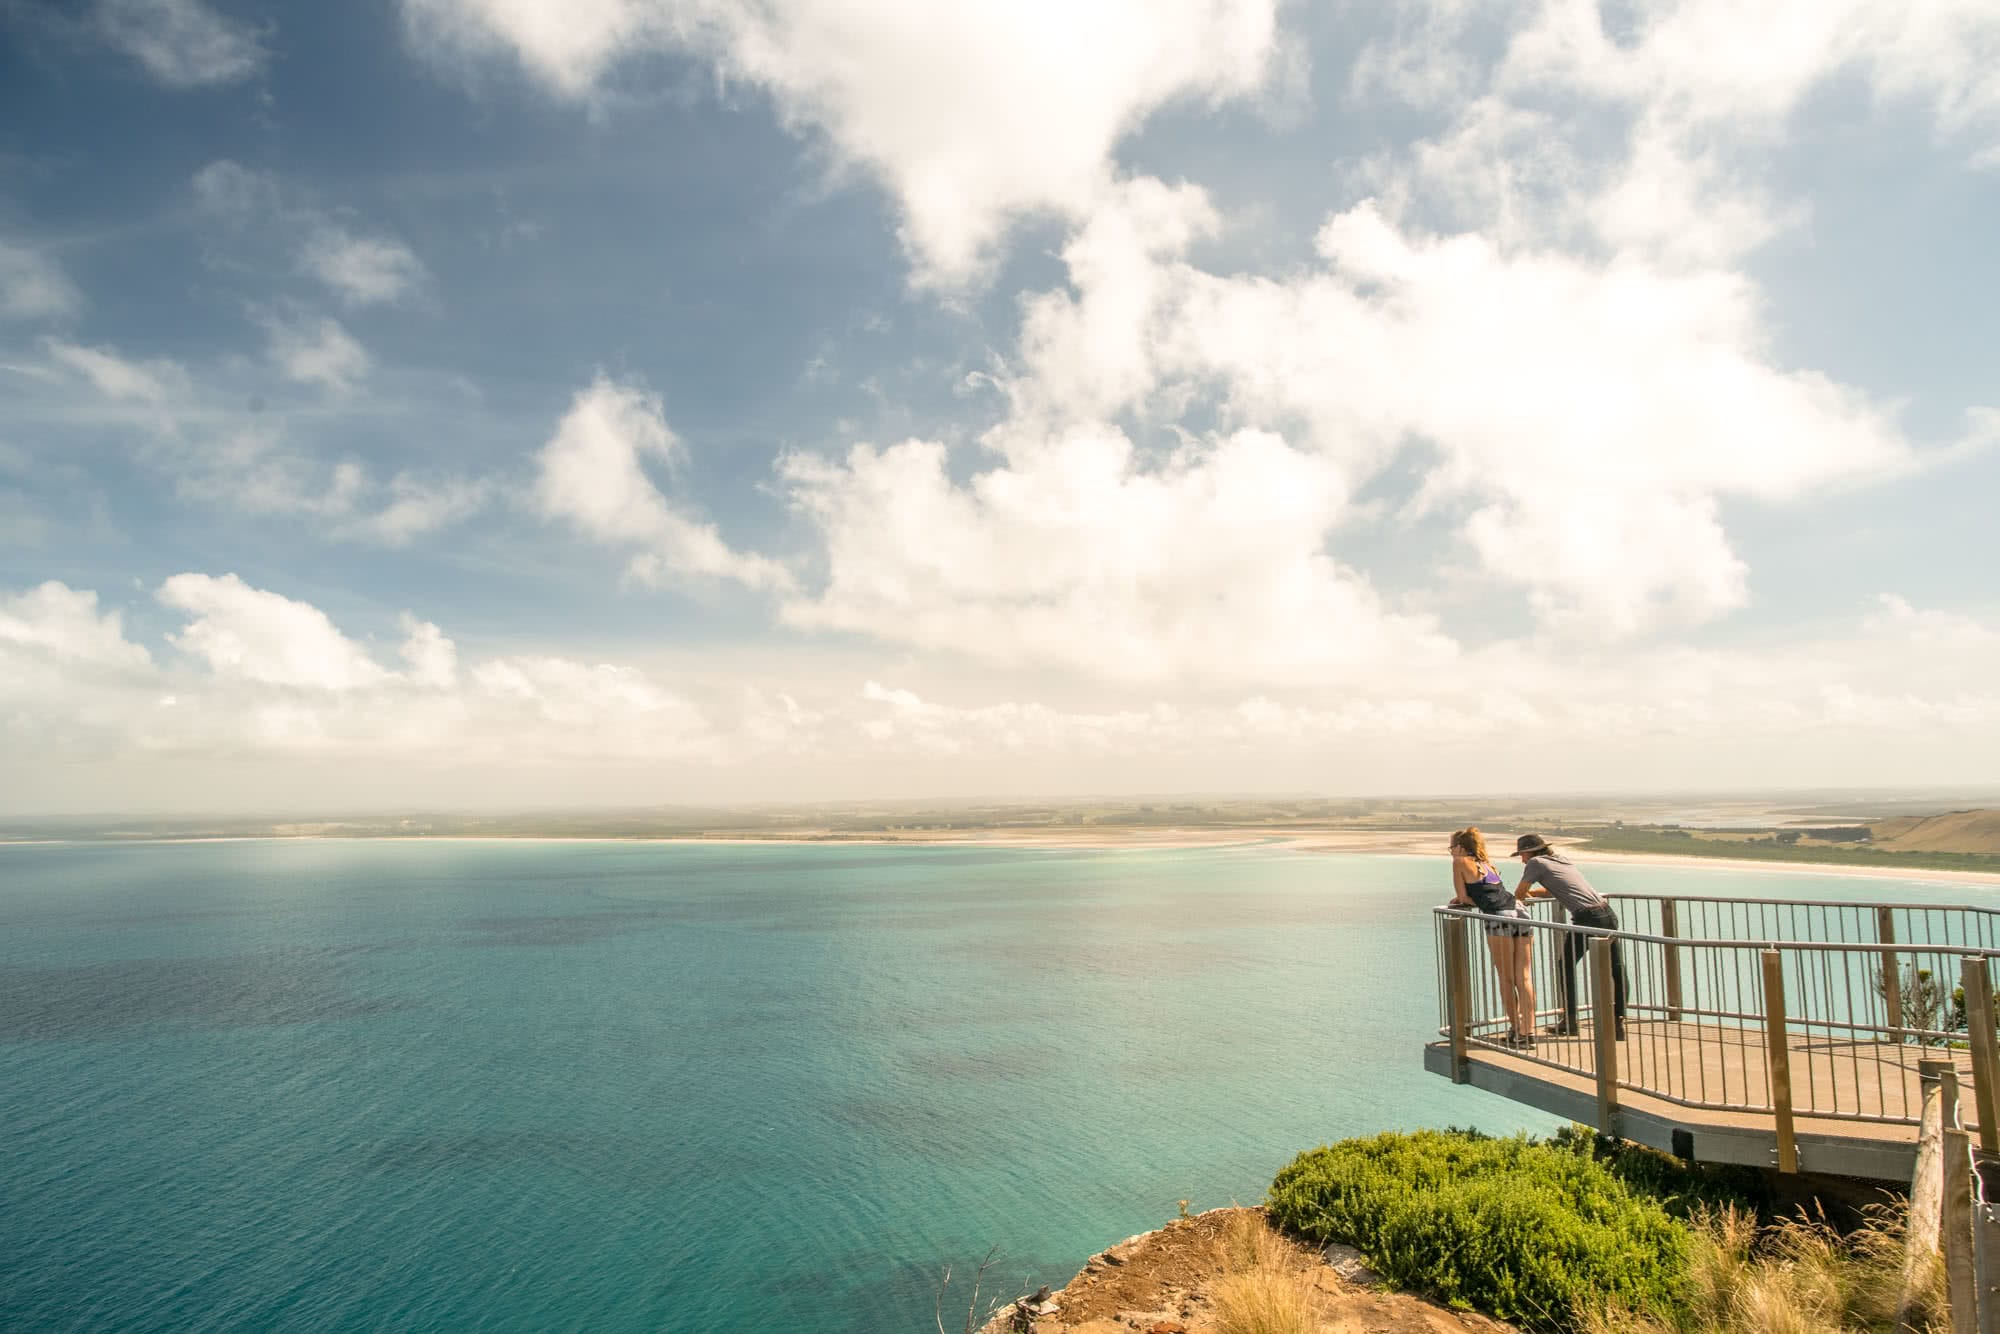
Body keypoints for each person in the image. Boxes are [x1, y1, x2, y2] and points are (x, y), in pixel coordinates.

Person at [1511, 834, 1626, 1040]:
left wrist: (1526, 896)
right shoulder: (1561, 860)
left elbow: (1519, 894)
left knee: (1566, 966)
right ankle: (1618, 1022)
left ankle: (1570, 1021)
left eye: (1522, 854)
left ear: (1530, 851)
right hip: (1606, 913)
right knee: (1616, 968)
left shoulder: (1536, 863)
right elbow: (1556, 888)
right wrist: (1537, 894)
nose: (1522, 860)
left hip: (1587, 918)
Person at [1448, 827, 1536, 1048]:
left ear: (1459, 847)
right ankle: (1529, 1032)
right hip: (1521, 912)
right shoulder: (1488, 864)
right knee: (1523, 977)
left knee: (1506, 978)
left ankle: (1516, 1029)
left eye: (1451, 847)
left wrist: (1461, 901)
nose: (1450, 852)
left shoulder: (1460, 862)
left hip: (1500, 917)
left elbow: (1463, 896)